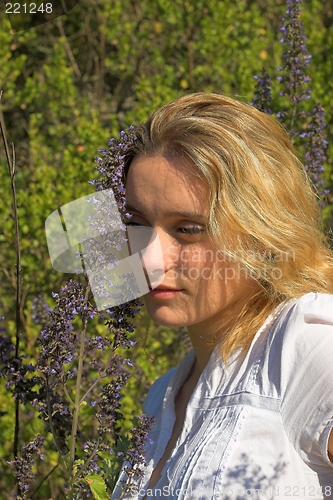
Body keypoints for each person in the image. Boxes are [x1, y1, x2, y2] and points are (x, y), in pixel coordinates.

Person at [111, 93, 333, 499]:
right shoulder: (161, 396)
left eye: (188, 229)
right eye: (136, 223)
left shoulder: (307, 346)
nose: (149, 260)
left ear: (261, 232)